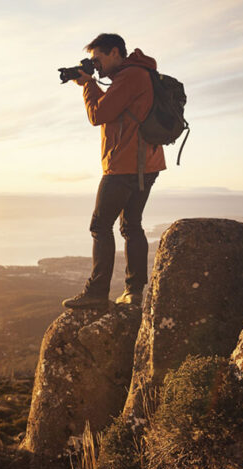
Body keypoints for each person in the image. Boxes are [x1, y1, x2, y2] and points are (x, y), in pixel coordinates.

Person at [62, 33, 166, 309]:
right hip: (145, 164)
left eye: (99, 59)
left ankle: (96, 293)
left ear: (116, 52)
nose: (96, 65)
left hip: (125, 166)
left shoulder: (130, 76)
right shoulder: (137, 73)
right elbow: (114, 109)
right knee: (131, 226)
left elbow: (99, 115)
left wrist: (87, 85)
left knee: (100, 226)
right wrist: (91, 81)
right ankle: (133, 292)